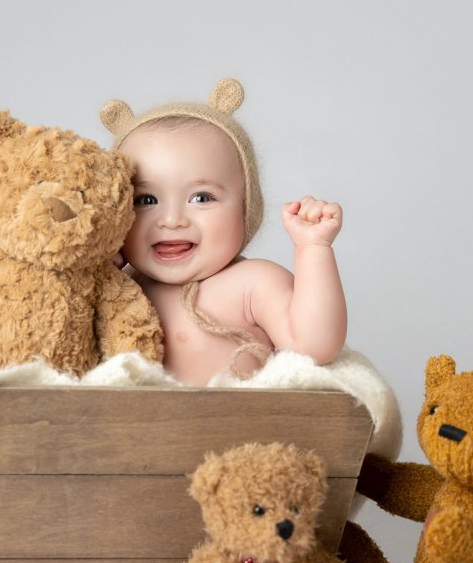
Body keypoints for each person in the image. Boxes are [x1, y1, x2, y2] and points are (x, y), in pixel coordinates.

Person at [100, 78, 346, 386]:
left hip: (235, 431)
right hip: (138, 431)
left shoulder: (253, 283)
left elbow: (314, 346)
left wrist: (313, 249)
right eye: (145, 200)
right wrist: (96, 273)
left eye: (201, 198)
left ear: (246, 207)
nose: (172, 220)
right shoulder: (124, 288)